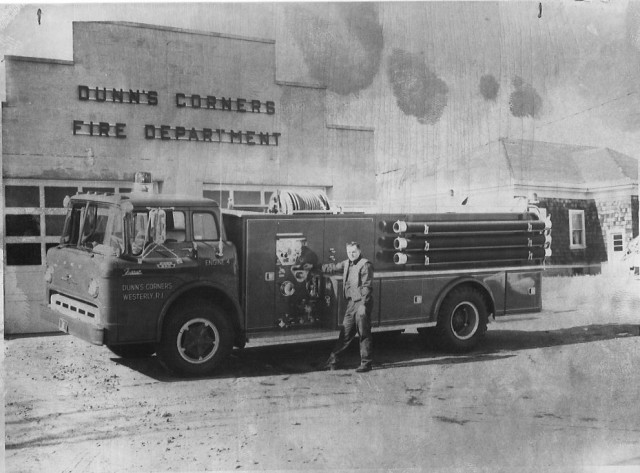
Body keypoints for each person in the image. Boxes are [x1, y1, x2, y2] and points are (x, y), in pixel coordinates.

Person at [322, 241, 374, 373]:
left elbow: (367, 287)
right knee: (345, 333)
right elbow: (332, 267)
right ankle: (333, 361)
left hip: (362, 303)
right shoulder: (346, 263)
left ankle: (366, 363)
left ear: (359, 251)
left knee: (364, 333)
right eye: (349, 252)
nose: (351, 254)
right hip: (352, 304)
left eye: (354, 252)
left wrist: (363, 306)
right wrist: (314, 267)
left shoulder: (365, 265)